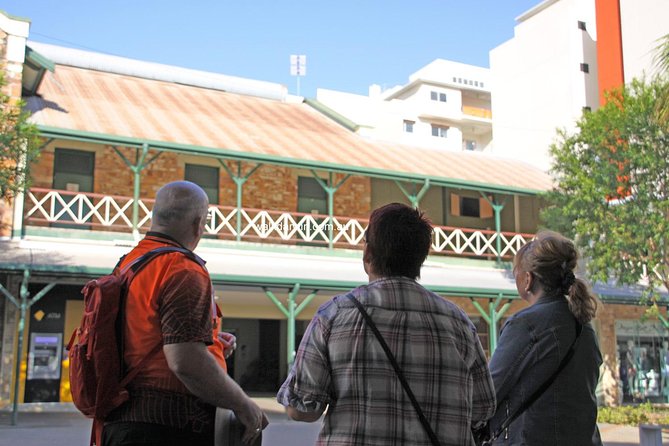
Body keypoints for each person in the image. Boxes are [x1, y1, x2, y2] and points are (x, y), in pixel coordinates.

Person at [277, 202, 496, 445]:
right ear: (421, 257)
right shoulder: (460, 324)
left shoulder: (333, 316)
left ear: (368, 254)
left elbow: (302, 409)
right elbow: (483, 410)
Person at [102, 181, 268, 446]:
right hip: (164, 427)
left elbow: (144, 335)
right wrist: (244, 405)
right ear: (198, 223)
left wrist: (208, 342)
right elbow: (185, 362)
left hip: (121, 421)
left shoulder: (129, 264)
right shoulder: (182, 269)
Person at [488, 230, 602, 445]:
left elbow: (489, 393)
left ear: (528, 279)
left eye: (516, 274)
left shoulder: (525, 324)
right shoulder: (585, 328)